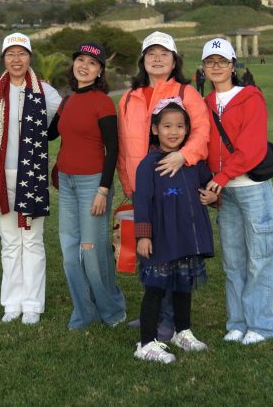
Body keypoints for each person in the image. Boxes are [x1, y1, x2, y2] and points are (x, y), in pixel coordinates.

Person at [116, 31, 209, 341]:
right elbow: (123, 144)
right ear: (143, 60)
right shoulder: (129, 97)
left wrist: (183, 156)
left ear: (174, 60)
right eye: (151, 53)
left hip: (174, 184)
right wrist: (128, 181)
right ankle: (154, 313)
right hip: (142, 186)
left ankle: (169, 320)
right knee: (151, 250)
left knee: (174, 250)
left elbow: (201, 133)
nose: (157, 59)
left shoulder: (186, 93)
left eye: (164, 54)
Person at [0, 32, 62, 325]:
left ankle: (33, 304)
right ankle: (12, 302)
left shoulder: (45, 92)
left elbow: (63, 119)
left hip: (32, 176)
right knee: (10, 241)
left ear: (30, 57)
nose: (16, 59)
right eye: (11, 54)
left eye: (22, 54)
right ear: (4, 58)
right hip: (1, 177)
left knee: (33, 241)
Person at [202, 37, 273, 345]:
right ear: (204, 68)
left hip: (251, 188)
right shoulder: (205, 103)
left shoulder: (250, 97)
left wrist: (222, 176)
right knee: (233, 261)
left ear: (233, 65)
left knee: (260, 258)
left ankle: (261, 325)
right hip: (225, 192)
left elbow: (252, 147)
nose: (216, 67)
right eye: (210, 62)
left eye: (222, 61)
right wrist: (213, 183)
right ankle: (237, 322)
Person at [47, 42, 126, 329]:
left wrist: (103, 190)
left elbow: (113, 149)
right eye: (80, 60)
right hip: (67, 184)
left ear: (100, 71)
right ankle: (83, 311)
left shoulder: (102, 102)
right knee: (70, 255)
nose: (84, 66)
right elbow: (48, 134)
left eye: (92, 63)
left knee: (93, 252)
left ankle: (112, 310)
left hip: (93, 185)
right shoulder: (67, 102)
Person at [132, 98, 215, 364]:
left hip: (186, 237)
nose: (174, 131)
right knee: (156, 289)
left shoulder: (193, 161)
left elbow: (208, 184)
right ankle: (146, 343)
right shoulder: (148, 165)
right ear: (155, 129)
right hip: (161, 238)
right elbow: (142, 201)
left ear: (187, 130)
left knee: (183, 286)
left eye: (180, 126)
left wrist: (213, 197)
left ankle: (182, 331)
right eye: (167, 126)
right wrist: (143, 235)